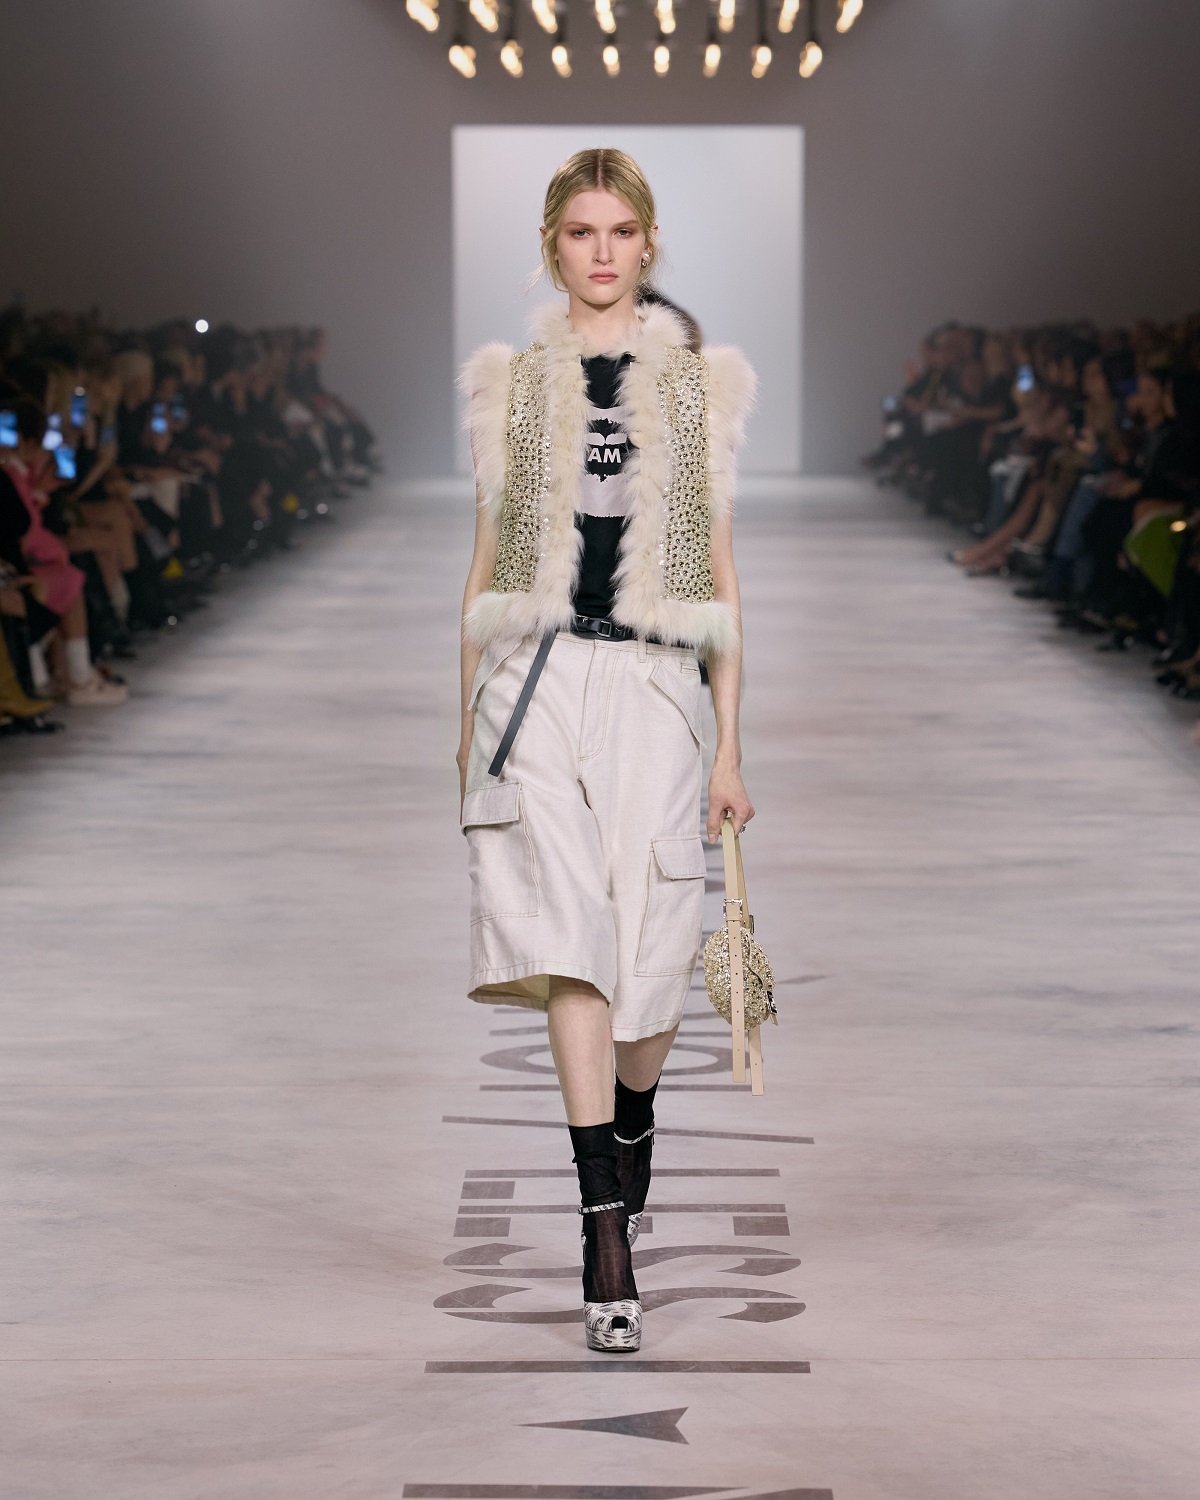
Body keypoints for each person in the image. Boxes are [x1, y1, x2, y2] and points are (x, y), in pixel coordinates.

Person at [457, 148, 755, 1353]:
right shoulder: (513, 385)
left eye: (620, 232)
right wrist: (464, 731)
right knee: (570, 942)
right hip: (533, 682)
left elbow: (720, 576)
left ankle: (635, 1121)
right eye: (580, 232)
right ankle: (602, 1224)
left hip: (653, 683)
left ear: (647, 242)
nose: (601, 252)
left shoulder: (694, 389)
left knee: (653, 959)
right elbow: (484, 563)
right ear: (552, 245)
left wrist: (731, 747)